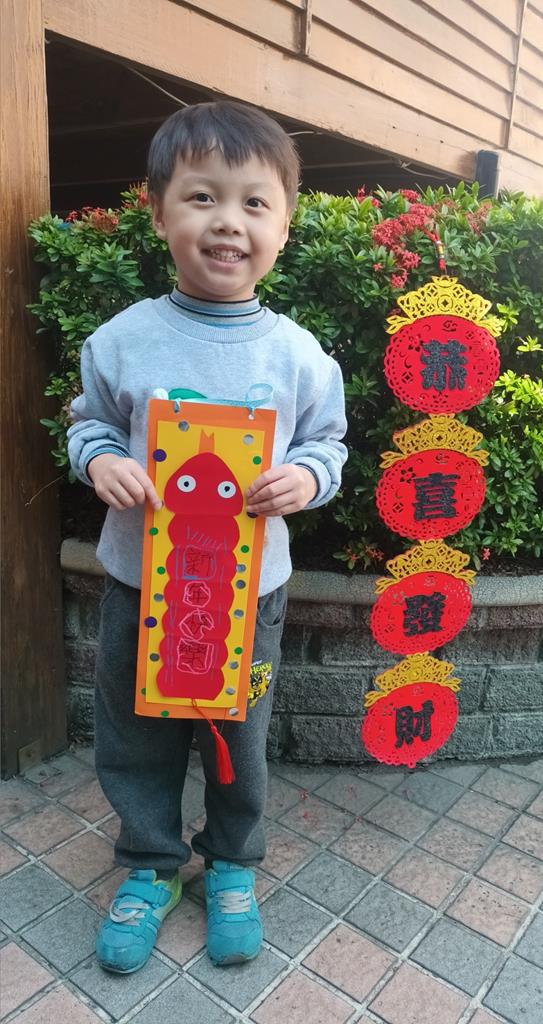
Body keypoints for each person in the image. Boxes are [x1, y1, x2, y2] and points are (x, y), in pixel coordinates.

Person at [68, 100, 347, 974]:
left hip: (247, 595)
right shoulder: (123, 340)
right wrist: (99, 459)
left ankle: (231, 863)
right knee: (136, 731)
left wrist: (305, 479)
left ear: (284, 228)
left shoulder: (300, 356)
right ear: (159, 213)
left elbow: (327, 445)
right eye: (202, 197)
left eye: (254, 203)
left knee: (235, 733)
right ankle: (151, 864)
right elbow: (89, 423)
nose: (229, 221)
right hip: (139, 583)